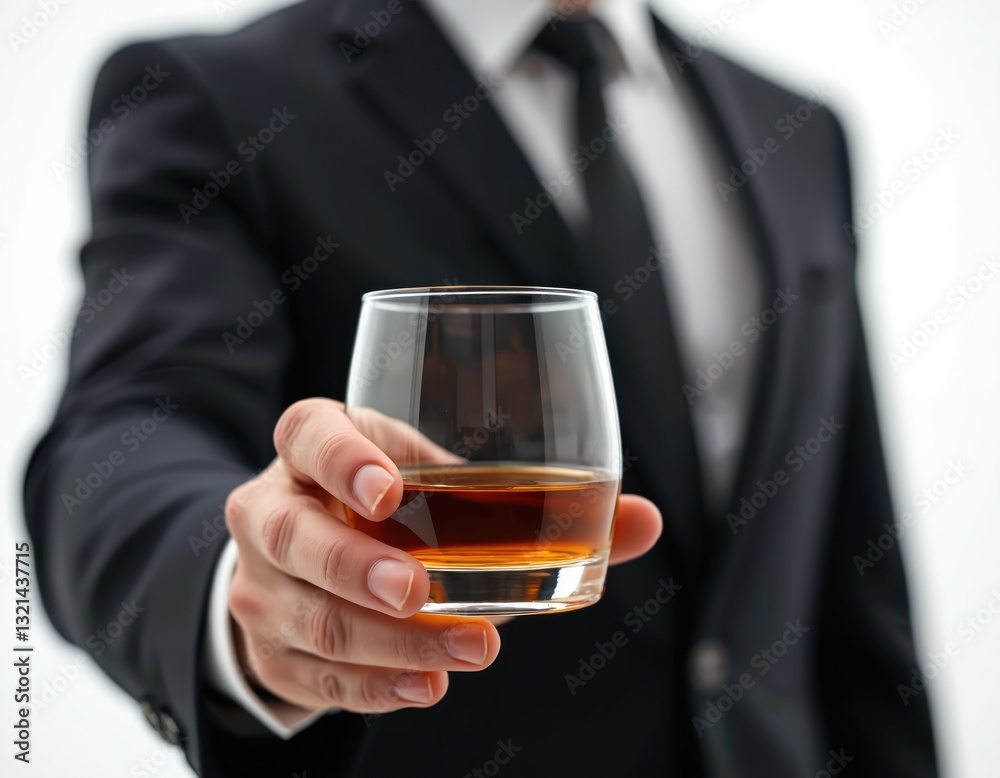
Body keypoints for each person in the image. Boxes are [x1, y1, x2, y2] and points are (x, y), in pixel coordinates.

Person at [24, 0, 938, 775]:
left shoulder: (799, 130)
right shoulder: (222, 99)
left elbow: (854, 564)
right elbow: (126, 436)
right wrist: (247, 587)